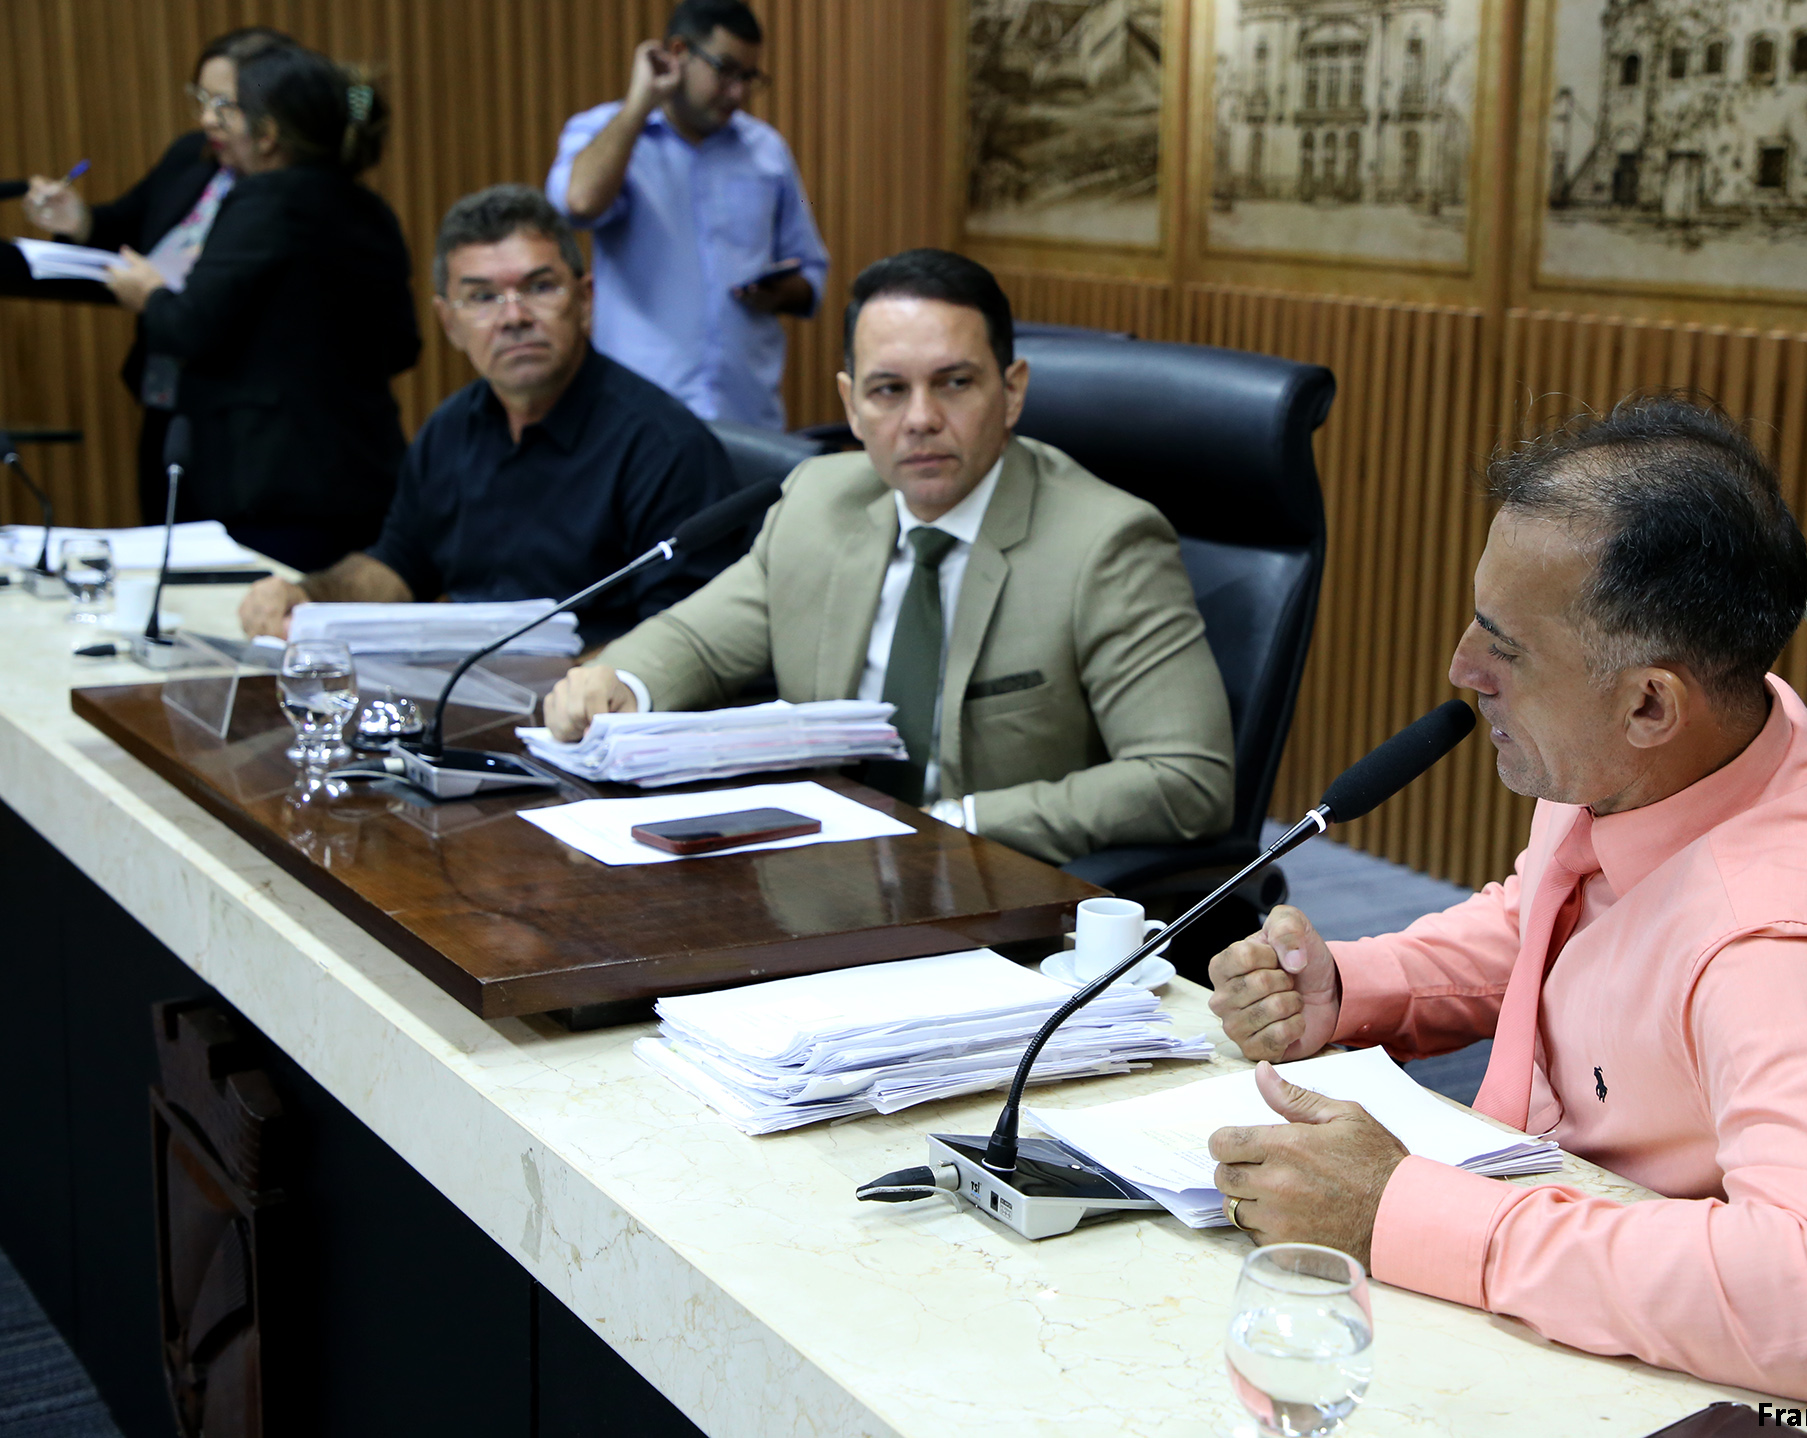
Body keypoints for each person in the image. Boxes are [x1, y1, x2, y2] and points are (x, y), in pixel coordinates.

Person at [1205, 395, 1807, 1408]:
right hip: (1547, 1221)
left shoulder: (1777, 949)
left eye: (1504, 648)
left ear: (1648, 701)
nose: (1461, 670)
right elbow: (1546, 926)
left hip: (1694, 1358)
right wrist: (1351, 986)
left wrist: (1402, 1210)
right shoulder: (1674, 749)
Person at [543, 249, 1234, 866]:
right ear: (852, 405)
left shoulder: (1105, 544)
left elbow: (1187, 777)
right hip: (819, 870)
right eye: (889, 390)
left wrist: (959, 825)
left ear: (1012, 389)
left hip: (991, 885)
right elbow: (697, 640)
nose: (921, 418)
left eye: (955, 383)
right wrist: (620, 681)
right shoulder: (818, 501)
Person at [237, 185, 739, 647]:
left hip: (593, 699)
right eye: (483, 297)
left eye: (539, 287)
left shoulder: (663, 447)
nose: (514, 317)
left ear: (585, 300)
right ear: (449, 323)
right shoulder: (450, 430)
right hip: (468, 690)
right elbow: (399, 565)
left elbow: (684, 639)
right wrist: (309, 597)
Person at [99, 44, 419, 572]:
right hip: (362, 471)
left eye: (227, 110)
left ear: (267, 134)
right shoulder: (370, 208)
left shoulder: (263, 201)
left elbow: (189, 325)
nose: (210, 122)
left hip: (269, 481)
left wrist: (149, 294)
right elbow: (404, 345)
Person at [21, 25, 293, 521]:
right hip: (169, 397)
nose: (207, 119)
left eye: (224, 105)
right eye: (201, 100)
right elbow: (128, 226)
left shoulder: (292, 196)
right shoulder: (194, 157)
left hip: (251, 415)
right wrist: (78, 221)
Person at [545, 0, 828, 428]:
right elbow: (578, 203)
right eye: (725, 71)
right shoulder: (606, 131)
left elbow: (811, 269)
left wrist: (781, 292)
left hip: (747, 416)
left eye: (748, 77)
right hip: (639, 420)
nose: (738, 93)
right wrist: (640, 104)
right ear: (678, 52)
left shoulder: (768, 151)